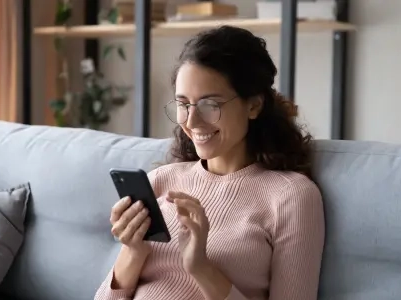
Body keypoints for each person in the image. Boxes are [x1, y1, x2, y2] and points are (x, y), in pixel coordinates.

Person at [94, 25, 325, 300]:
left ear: (253, 105)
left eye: (210, 105)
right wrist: (133, 251)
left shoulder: (290, 197)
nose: (191, 122)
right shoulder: (160, 181)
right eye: (183, 104)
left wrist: (201, 268)